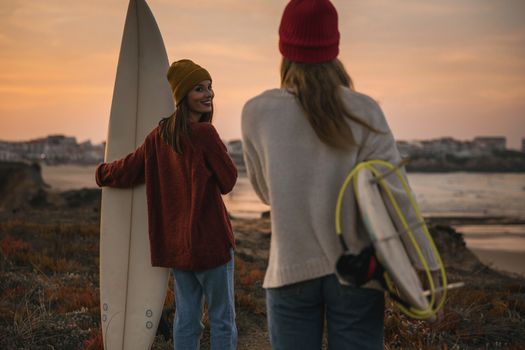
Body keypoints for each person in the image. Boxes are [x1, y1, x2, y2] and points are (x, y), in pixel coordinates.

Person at [241, 1, 441, 349]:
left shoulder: (257, 112)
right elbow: (396, 195)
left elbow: (265, 191)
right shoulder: (364, 109)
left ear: (283, 48)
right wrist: (424, 261)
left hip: (290, 269)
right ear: (334, 47)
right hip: (358, 272)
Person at [96, 59, 238, 350]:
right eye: (199, 88)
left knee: (186, 318)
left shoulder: (158, 136)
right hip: (211, 244)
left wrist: (101, 173)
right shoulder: (204, 134)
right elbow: (229, 181)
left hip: (177, 249)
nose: (208, 94)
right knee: (222, 318)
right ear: (183, 95)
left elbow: (127, 170)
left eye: (210, 87)